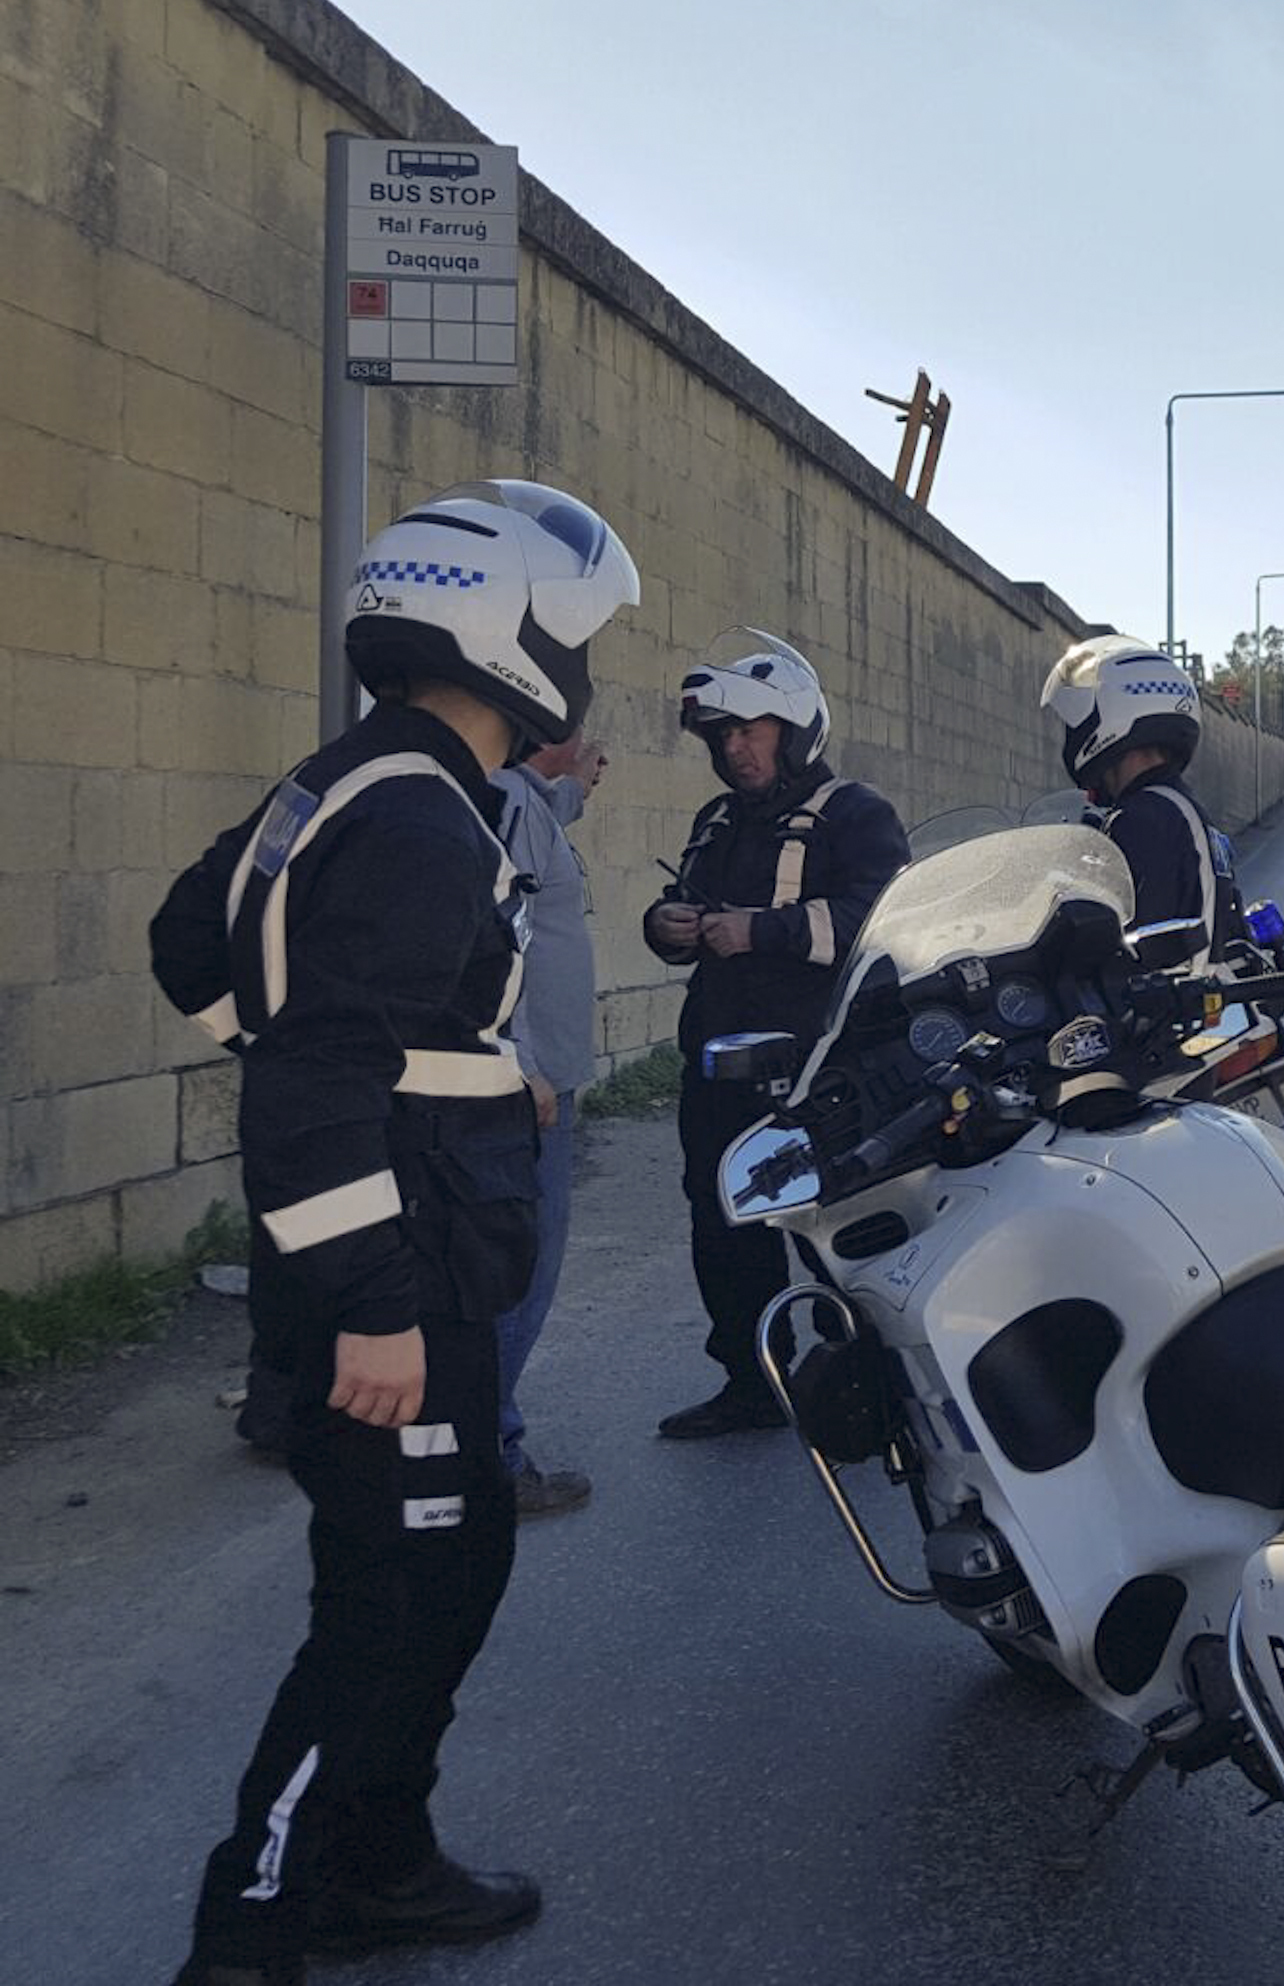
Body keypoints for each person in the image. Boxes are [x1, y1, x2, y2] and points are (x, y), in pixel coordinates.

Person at [148, 479, 639, 1986]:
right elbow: (311, 1071)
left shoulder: (355, 776)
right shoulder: (423, 815)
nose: (591, 666)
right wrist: (367, 1297)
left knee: (457, 1556)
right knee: (384, 1609)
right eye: (583, 637)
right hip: (395, 1277)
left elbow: (193, 943)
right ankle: (254, 1926)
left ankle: (381, 1857)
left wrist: (315, 1036)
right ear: (515, 637)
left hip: (410, 1254)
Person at [644, 629, 908, 1439]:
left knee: (836, 1226)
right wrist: (667, 924)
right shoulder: (717, 820)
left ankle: (874, 1383)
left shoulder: (855, 814)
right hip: (718, 1068)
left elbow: (883, 919)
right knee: (720, 1226)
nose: (735, 748)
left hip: (822, 1068)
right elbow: (680, 913)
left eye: (749, 730)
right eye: (722, 735)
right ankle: (753, 1382)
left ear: (792, 729)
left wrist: (760, 931)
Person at [489, 729, 608, 1518]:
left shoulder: (526, 799)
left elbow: (539, 829)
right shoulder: (504, 800)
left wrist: (578, 789)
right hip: (527, 1086)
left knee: (517, 1270)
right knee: (520, 1276)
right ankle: (490, 1457)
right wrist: (520, 1058)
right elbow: (500, 927)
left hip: (541, 1077)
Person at [1039, 636, 1245, 962]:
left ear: (1110, 716)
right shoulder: (1181, 808)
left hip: (1164, 1008)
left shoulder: (1144, 820)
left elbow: (1124, 945)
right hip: (1197, 992)